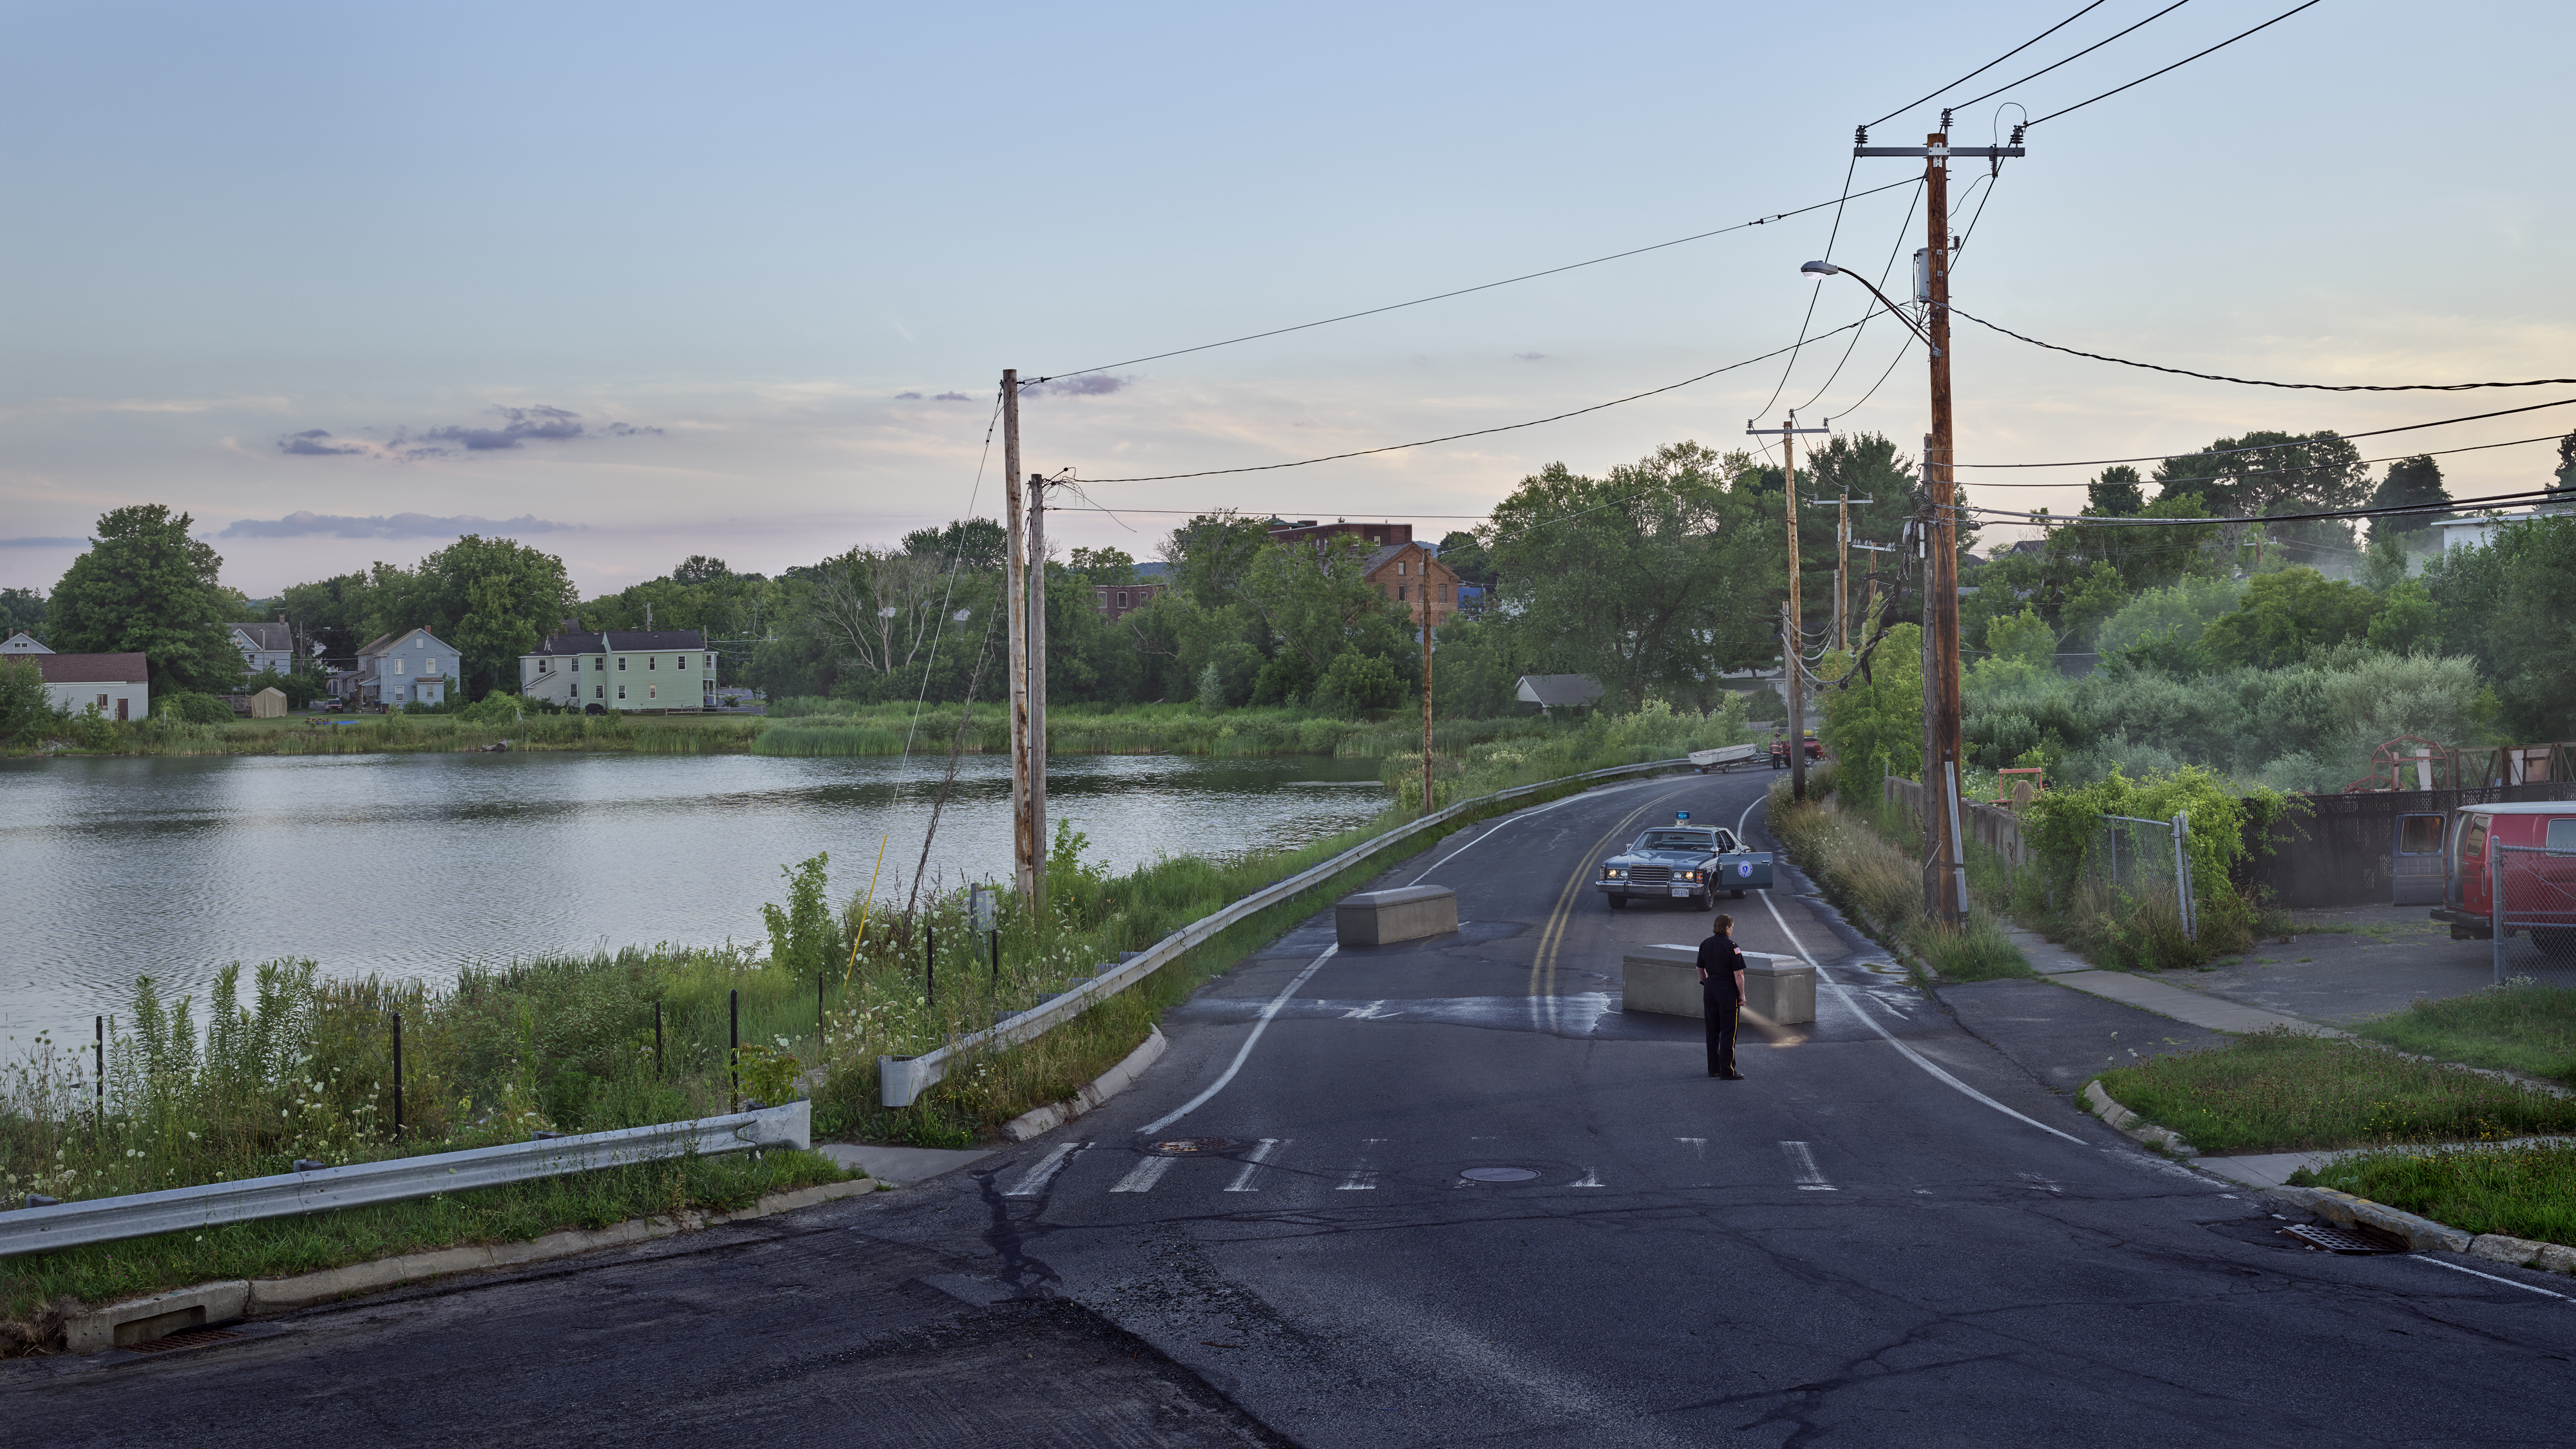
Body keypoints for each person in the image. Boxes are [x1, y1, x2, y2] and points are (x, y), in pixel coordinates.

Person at [1697, 913, 1747, 1079]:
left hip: (1710, 988)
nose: (1732, 931)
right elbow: (1739, 974)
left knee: (1712, 1030)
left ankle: (1714, 1068)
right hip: (1727, 991)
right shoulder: (1732, 947)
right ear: (1727, 928)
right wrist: (1742, 995)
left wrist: (1708, 983)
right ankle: (1728, 1070)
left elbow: (1700, 970)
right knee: (1728, 1031)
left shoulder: (1705, 944)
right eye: (1731, 928)